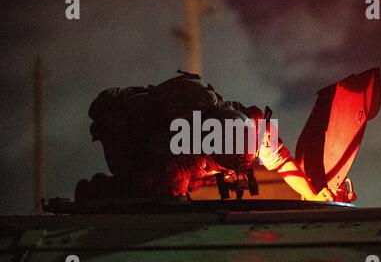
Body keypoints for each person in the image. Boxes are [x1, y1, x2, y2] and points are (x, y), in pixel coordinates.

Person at [75, 71, 335, 202]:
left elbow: (282, 161)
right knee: (145, 193)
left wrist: (313, 194)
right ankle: (97, 189)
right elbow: (172, 205)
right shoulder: (180, 153)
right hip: (124, 130)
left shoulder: (252, 127)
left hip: (171, 129)